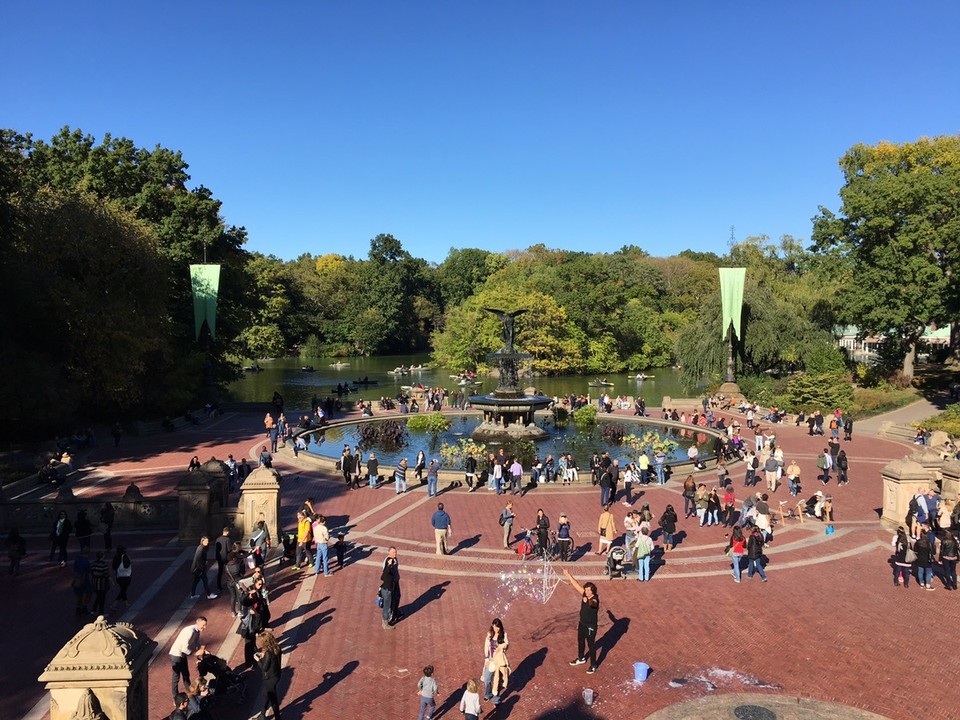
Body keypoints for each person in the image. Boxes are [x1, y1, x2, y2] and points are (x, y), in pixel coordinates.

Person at [562, 568, 600, 674]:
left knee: (591, 645)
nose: (586, 592)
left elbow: (594, 604)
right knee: (580, 641)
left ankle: (593, 665)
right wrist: (568, 574)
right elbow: (576, 585)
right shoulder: (584, 594)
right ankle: (581, 658)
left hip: (590, 626)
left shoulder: (595, 599)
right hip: (582, 623)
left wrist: (587, 600)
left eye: (588, 590)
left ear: (593, 591)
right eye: (586, 590)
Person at [170, 616, 207, 699]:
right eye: (203, 625)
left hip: (182, 655)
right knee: (176, 677)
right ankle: (175, 697)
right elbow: (184, 648)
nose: (204, 627)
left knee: (186, 674)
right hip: (176, 654)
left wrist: (203, 650)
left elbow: (197, 643)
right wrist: (195, 653)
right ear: (197, 623)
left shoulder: (197, 631)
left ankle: (190, 693)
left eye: (205, 625)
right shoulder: (190, 631)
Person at [255, 630, 283, 720]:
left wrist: (258, 659)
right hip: (276, 675)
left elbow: (264, 668)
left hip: (269, 678)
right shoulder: (277, 648)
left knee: (272, 698)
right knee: (266, 695)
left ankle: (277, 717)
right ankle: (262, 715)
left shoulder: (268, 653)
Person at [482, 618, 509, 704]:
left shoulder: (504, 635)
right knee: (487, 679)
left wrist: (502, 646)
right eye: (494, 627)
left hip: (499, 661)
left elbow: (506, 645)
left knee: (498, 681)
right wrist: (486, 658)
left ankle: (496, 699)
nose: (496, 629)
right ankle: (488, 694)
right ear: (492, 626)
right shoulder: (489, 634)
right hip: (490, 660)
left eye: (498, 627)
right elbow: (486, 646)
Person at [380, 547, 399, 629]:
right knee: (386, 606)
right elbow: (384, 575)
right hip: (387, 588)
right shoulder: (387, 566)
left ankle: (393, 613)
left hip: (390, 587)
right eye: (393, 552)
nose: (395, 554)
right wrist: (389, 565)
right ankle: (385, 623)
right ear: (389, 553)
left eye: (395, 552)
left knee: (391, 602)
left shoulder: (395, 560)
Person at [90, 550, 111, 616]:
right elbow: (106, 574)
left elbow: (92, 572)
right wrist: (111, 581)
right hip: (102, 584)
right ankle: (101, 612)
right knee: (102, 598)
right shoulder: (104, 564)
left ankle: (94, 609)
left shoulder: (93, 564)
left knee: (98, 596)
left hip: (95, 583)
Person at [214, 527, 231, 591]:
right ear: (227, 532)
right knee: (228, 571)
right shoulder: (227, 539)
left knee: (220, 572)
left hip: (219, 558)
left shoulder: (218, 539)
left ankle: (219, 586)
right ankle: (230, 584)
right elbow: (229, 549)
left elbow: (216, 549)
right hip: (226, 558)